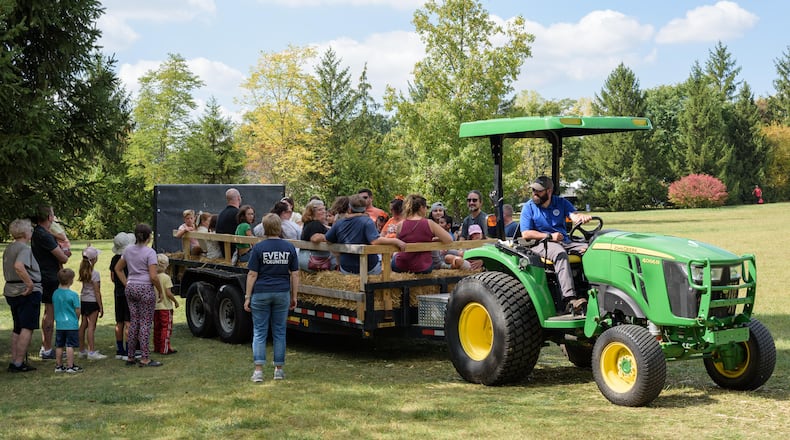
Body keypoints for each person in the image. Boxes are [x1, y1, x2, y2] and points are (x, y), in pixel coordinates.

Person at [520, 176, 591, 316]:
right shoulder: (529, 207)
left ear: (549, 191)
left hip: (565, 241)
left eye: (538, 191)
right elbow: (526, 233)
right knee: (560, 253)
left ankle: (593, 292)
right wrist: (549, 236)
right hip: (540, 244)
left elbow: (574, 215)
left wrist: (581, 217)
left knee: (592, 249)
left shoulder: (561, 203)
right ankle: (570, 300)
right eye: (533, 190)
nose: (535, 193)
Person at [244, 214, 299, 382]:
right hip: (282, 292)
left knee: (260, 331)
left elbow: (252, 274)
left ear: (264, 228)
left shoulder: (258, 248)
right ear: (279, 227)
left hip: (261, 292)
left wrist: (247, 296)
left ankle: (258, 371)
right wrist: (294, 296)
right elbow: (295, 274)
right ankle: (279, 370)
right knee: (279, 331)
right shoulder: (289, 247)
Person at [114, 223, 164, 367]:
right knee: (145, 323)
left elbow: (118, 268)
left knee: (134, 322)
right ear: (149, 237)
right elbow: (153, 276)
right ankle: (145, 358)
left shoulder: (128, 250)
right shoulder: (150, 252)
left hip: (131, 288)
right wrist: (160, 290)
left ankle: (130, 357)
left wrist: (127, 283)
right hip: (145, 289)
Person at [326, 194, 406, 275]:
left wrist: (338, 252)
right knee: (387, 265)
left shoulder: (339, 223)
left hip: (346, 269)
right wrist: (396, 241)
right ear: (365, 209)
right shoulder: (367, 221)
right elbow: (375, 240)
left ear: (349, 209)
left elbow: (328, 240)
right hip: (369, 268)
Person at [3, 218, 42, 373]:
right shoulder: (24, 249)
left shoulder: (9, 248)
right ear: (25, 233)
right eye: (30, 230)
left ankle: (15, 360)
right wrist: (30, 284)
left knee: (17, 327)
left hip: (11, 290)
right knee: (27, 327)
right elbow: (19, 266)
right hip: (25, 291)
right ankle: (18, 363)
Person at [31, 205, 70, 360]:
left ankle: (46, 347)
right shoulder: (44, 235)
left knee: (49, 311)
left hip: (44, 275)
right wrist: (65, 253)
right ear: (49, 217)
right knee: (50, 312)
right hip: (49, 277)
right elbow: (63, 258)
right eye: (53, 214)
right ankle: (47, 349)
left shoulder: (38, 232)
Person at [393, 194, 453, 274]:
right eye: (426, 208)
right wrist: (434, 239)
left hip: (401, 265)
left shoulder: (400, 224)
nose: (426, 210)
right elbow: (449, 239)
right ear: (421, 208)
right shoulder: (429, 223)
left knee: (394, 258)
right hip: (423, 267)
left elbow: (397, 244)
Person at [77, 245, 107, 360]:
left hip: (84, 300)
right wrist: (100, 306)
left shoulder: (83, 271)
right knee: (91, 326)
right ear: (94, 259)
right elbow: (97, 292)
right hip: (92, 301)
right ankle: (91, 351)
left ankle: (81, 350)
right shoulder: (95, 274)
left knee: (83, 325)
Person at [52, 268, 83, 373]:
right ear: (71, 280)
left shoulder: (55, 293)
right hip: (71, 324)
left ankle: (59, 366)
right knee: (70, 345)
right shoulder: (73, 295)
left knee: (59, 345)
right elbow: (77, 309)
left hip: (59, 324)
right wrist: (76, 319)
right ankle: (70, 366)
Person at [110, 232, 135, 360]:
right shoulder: (128, 258)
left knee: (119, 322)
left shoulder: (114, 259)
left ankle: (120, 350)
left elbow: (112, 277)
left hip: (117, 292)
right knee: (128, 321)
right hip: (128, 292)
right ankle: (129, 350)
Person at [298, 199, 336, 272]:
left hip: (304, 258)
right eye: (320, 210)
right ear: (312, 212)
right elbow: (315, 238)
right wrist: (330, 237)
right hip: (313, 261)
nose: (324, 211)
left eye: (324, 209)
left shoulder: (308, 223)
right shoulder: (315, 224)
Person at [153, 254, 179, 355]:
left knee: (157, 328)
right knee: (166, 328)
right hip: (165, 307)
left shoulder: (154, 277)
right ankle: (165, 348)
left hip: (156, 307)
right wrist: (175, 301)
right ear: (166, 265)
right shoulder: (166, 278)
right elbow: (168, 293)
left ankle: (157, 347)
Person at [216, 188, 242, 257]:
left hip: (224, 252)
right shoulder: (239, 214)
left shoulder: (221, 214)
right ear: (238, 198)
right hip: (235, 254)